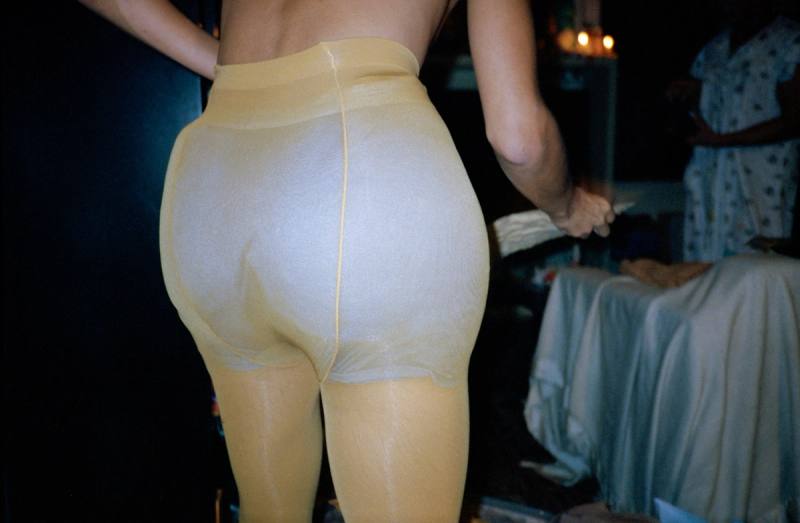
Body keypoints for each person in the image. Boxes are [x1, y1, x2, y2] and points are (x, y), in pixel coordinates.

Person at [78, 1, 615, 521]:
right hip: (363, 174)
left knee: (268, 510)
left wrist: (226, 67)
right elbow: (519, 139)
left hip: (216, 195)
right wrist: (567, 206)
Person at [667, 0, 800, 262]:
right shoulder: (714, 48)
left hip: (760, 186)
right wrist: (691, 94)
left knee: (758, 268)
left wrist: (725, 140)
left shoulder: (790, 41)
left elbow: (794, 120)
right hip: (710, 180)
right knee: (706, 268)